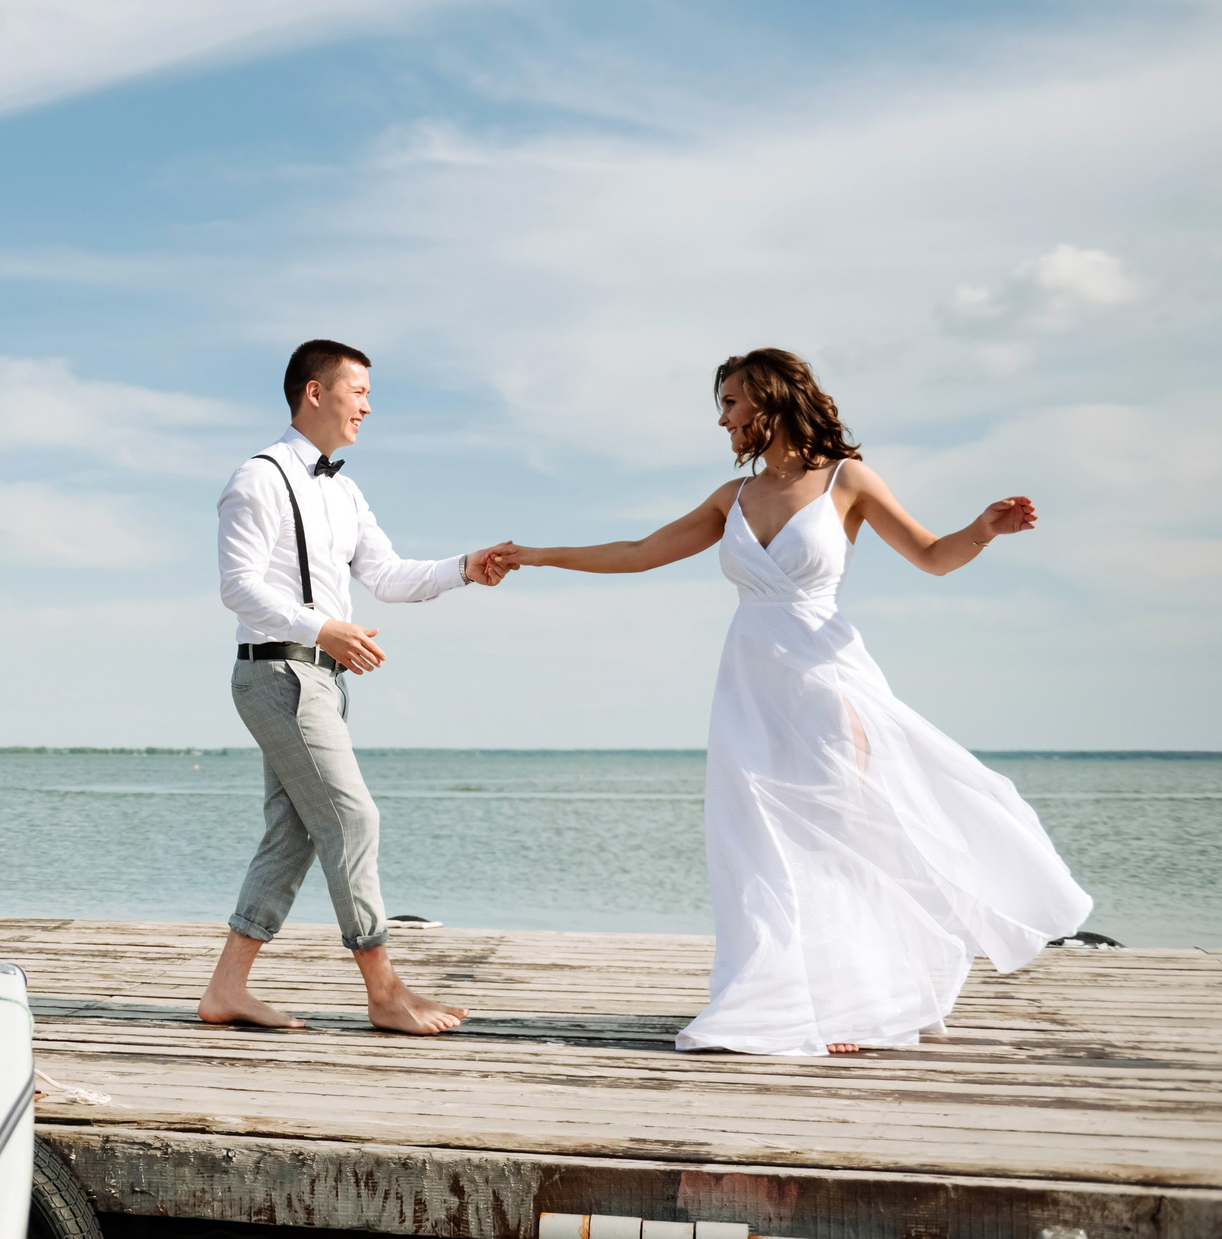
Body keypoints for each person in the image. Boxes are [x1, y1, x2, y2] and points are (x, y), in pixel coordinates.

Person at [504, 348, 1091, 1056]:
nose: (722, 418)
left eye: (730, 402)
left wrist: (983, 529)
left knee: (839, 836)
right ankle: (773, 995)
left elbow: (934, 555)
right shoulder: (734, 497)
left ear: (769, 399)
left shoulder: (848, 480)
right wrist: (535, 554)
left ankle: (858, 1004)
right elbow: (637, 550)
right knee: (756, 848)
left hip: (827, 681)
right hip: (749, 690)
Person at [198, 339, 514, 1035]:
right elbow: (237, 585)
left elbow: (392, 575)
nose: (368, 405)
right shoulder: (256, 478)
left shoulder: (344, 491)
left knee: (294, 834)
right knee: (353, 819)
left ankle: (227, 988)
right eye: (358, 390)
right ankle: (384, 990)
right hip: (277, 672)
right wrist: (322, 627)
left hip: (323, 680)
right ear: (315, 392)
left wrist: (468, 565)